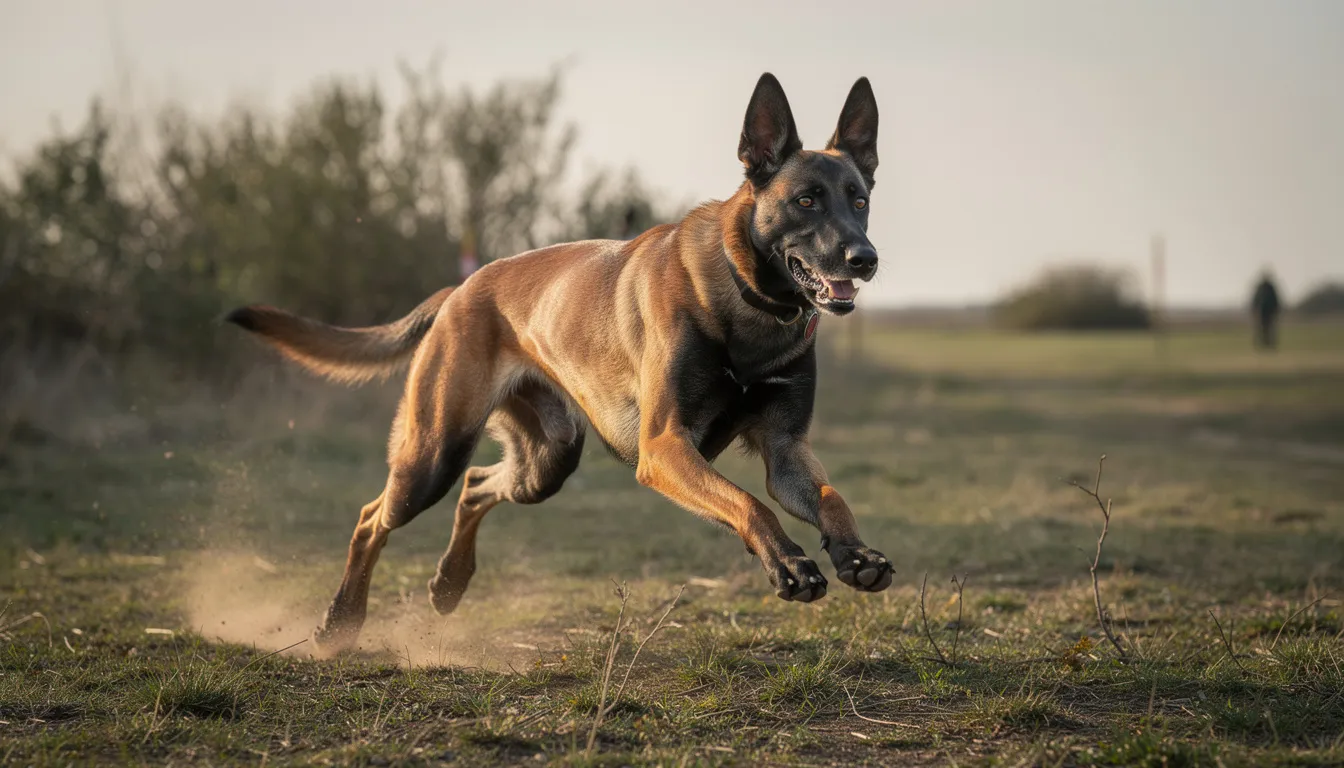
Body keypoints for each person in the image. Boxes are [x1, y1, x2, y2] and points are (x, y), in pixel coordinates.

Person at [1250, 270, 1281, 350]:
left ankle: (1270, 344)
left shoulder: (1271, 287)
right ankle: (1261, 344)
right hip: (1261, 312)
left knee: (1270, 328)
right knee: (1261, 329)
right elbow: (1256, 299)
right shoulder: (1260, 287)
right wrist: (1254, 309)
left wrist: (1276, 309)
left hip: (1270, 312)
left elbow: (1275, 299)